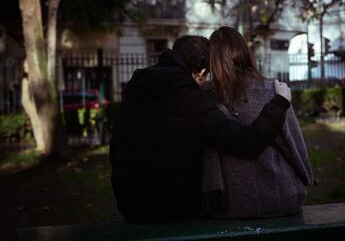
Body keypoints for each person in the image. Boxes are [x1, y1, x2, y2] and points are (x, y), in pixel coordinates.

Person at [109, 35, 292, 222]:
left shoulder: (135, 88)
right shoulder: (192, 99)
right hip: (173, 210)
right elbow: (246, 143)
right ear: (201, 72)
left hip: (129, 205)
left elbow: (115, 147)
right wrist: (280, 103)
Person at [203, 26, 314, 218]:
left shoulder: (205, 98)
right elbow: (293, 142)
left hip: (232, 204)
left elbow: (208, 155)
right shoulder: (274, 90)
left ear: (212, 59)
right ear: (244, 52)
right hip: (282, 197)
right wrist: (306, 177)